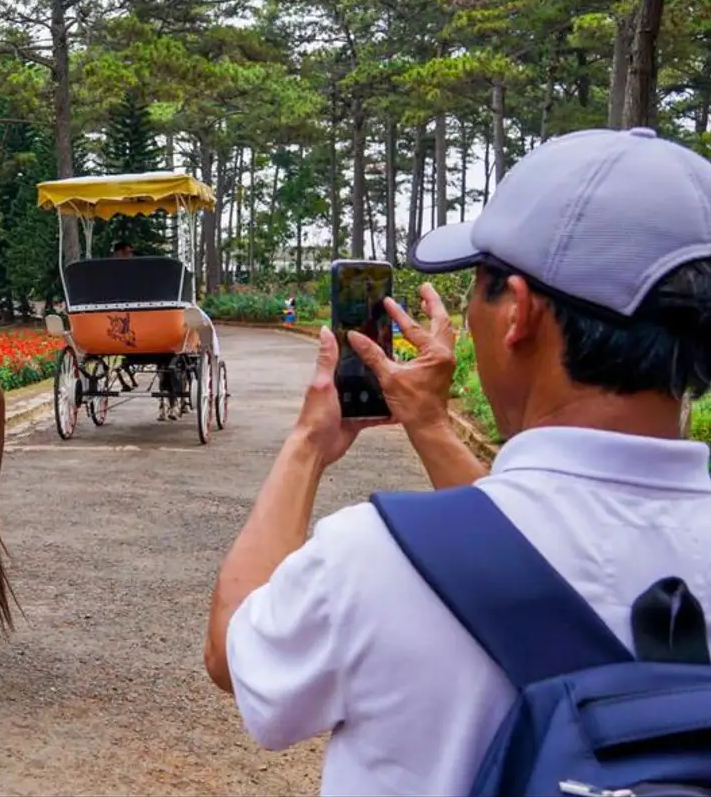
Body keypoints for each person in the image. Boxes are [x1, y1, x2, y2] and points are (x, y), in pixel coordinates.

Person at [204, 127, 711, 795]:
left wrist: (307, 444)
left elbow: (236, 656)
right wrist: (430, 423)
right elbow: (524, 540)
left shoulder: (376, 558)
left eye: (479, 286)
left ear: (518, 313)